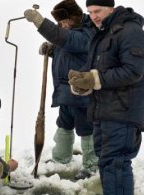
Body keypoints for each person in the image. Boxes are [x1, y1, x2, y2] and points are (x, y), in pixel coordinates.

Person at [66, 0, 144, 195]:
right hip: (104, 109)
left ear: (111, 9)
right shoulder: (103, 33)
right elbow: (100, 70)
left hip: (122, 111)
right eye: (90, 11)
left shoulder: (131, 32)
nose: (93, 16)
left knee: (116, 163)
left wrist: (94, 79)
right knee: (107, 161)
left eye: (98, 11)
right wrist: (82, 82)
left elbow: (133, 71)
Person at [23, 0, 98, 180]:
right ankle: (61, 158)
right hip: (65, 92)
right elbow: (66, 47)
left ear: (76, 17)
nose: (63, 26)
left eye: (66, 22)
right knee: (64, 125)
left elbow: (70, 42)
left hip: (81, 93)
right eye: (60, 23)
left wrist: (41, 23)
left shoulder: (88, 33)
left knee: (86, 129)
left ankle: (91, 165)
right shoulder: (71, 33)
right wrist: (53, 50)